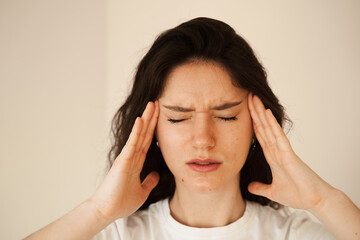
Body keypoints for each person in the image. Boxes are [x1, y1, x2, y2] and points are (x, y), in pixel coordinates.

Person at [25, 17, 360, 240]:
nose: (203, 140)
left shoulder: (291, 235)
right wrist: (97, 212)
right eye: (178, 117)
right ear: (152, 130)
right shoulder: (120, 235)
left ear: (258, 126)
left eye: (227, 116)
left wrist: (322, 200)